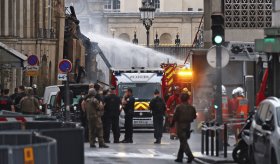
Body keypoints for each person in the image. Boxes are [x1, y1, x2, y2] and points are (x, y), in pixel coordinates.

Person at [172, 93, 196, 163]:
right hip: (188, 125)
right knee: (183, 141)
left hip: (180, 126)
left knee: (183, 141)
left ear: (181, 99)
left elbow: (175, 117)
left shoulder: (178, 107)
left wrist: (172, 124)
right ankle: (179, 157)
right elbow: (194, 116)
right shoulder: (192, 107)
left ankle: (190, 155)